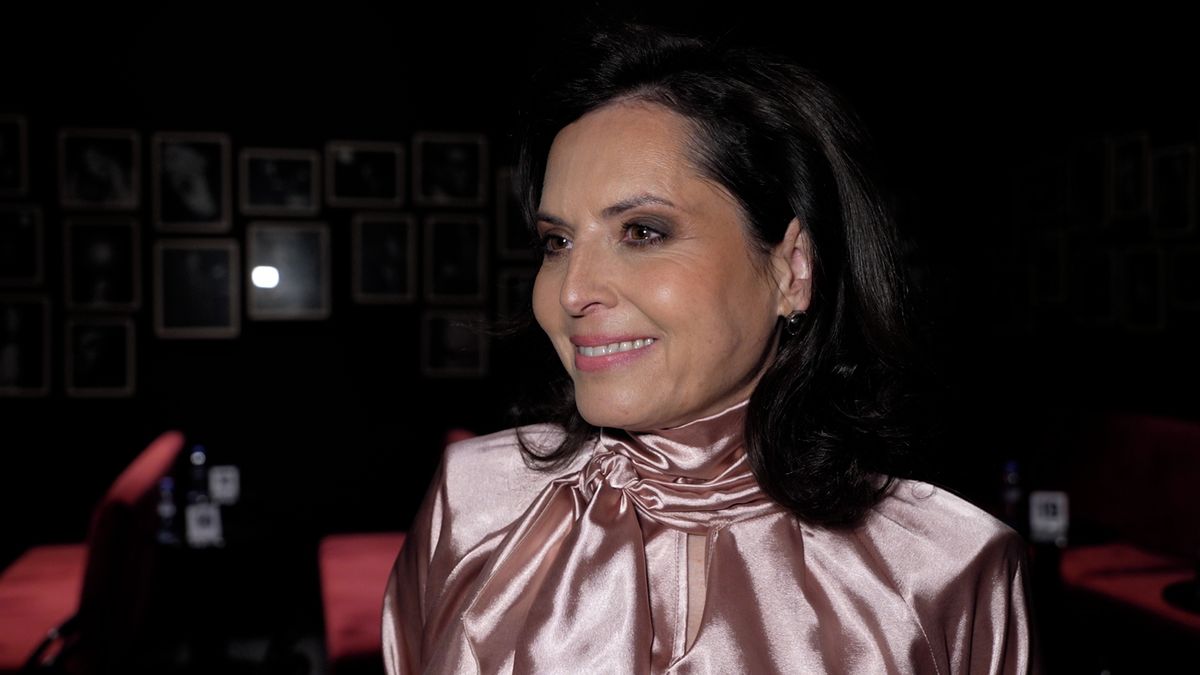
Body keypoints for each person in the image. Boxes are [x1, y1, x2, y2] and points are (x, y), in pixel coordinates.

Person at [383, 19, 1037, 674]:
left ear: (792, 269)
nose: (572, 290)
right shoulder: (475, 505)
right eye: (558, 242)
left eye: (642, 231)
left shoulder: (949, 574)